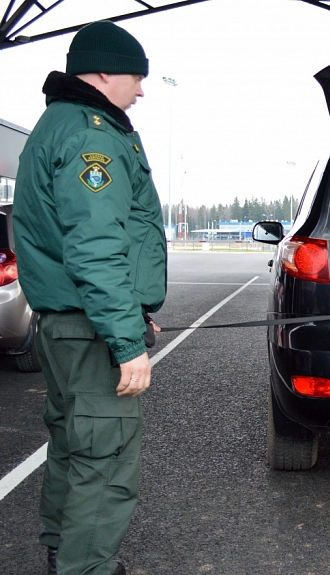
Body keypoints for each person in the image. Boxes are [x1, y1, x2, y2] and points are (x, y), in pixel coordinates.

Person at [13, 20, 167, 575]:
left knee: (74, 442)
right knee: (106, 457)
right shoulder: (92, 135)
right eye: (136, 77)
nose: (142, 90)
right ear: (104, 73)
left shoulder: (54, 126)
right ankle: (84, 568)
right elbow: (96, 249)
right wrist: (126, 341)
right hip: (89, 328)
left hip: (65, 321)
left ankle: (63, 552)